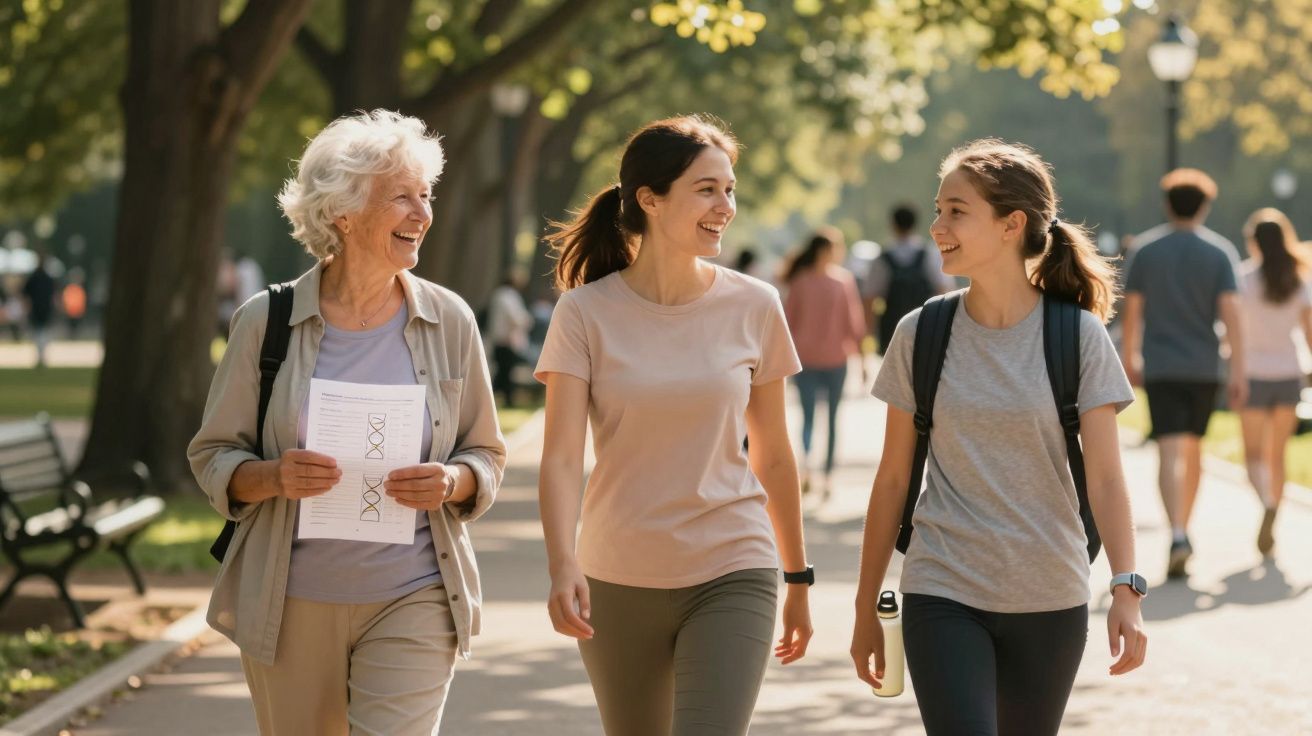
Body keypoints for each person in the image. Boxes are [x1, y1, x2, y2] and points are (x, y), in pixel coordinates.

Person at [187, 110, 506, 735]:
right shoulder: (265, 321)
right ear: (343, 212)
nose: (423, 214)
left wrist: (451, 481)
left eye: (426, 195)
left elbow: (485, 453)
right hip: (290, 602)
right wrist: (273, 476)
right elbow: (214, 456)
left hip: (415, 590)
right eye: (402, 198)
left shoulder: (450, 321)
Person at [851, 139, 1146, 736]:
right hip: (942, 586)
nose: (938, 226)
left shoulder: (1078, 336)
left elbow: (1107, 476)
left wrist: (1126, 588)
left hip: (1050, 593)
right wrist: (864, 607)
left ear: (1012, 224)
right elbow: (892, 478)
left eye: (956, 210)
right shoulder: (921, 332)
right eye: (938, 209)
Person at [535, 115, 813, 736]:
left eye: (730, 189)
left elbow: (773, 455)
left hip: (732, 563)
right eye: (707, 189)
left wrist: (797, 577)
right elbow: (559, 457)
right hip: (616, 573)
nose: (726, 207)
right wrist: (561, 564)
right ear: (650, 200)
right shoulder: (584, 314)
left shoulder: (755, 305)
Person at [1120, 168, 1247, 579]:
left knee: (1169, 448)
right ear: (1205, 206)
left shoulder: (1145, 250)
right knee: (1192, 448)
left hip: (1161, 365)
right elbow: (1231, 316)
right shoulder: (1220, 252)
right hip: (1204, 366)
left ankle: (1176, 531)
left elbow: (1132, 311)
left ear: (1167, 204)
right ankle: (1183, 527)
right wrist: (1239, 369)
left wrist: (1130, 358)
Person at [1235, 208, 1312, 557]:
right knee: (1277, 455)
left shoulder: (1242, 279)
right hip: (1289, 373)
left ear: (1254, 242)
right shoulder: (1299, 280)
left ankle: (1266, 501)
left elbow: (1232, 330)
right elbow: (1310, 333)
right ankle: (1275, 514)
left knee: (1253, 454)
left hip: (1252, 374)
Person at [782, 227, 867, 498]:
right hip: (808, 361)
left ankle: (826, 474)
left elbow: (853, 324)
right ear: (822, 251)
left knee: (830, 419)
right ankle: (809, 469)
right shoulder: (805, 281)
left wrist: (862, 361)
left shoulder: (840, 281)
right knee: (810, 419)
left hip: (831, 361)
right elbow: (787, 323)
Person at [865, 204, 954, 354]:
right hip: (925, 327)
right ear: (915, 224)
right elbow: (944, 289)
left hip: (892, 329)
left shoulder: (882, 258)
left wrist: (869, 334)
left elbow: (869, 298)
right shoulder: (929, 254)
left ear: (892, 224)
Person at [486, 269, 534, 407]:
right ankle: (506, 399)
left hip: (498, 339)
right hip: (506, 341)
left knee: (502, 371)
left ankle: (499, 397)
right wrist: (527, 321)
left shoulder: (498, 294)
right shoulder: (509, 296)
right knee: (505, 372)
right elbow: (517, 318)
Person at [22, 252, 57, 368]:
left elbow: (25, 294)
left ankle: (40, 355)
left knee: (38, 333)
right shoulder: (47, 278)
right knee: (43, 333)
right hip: (45, 308)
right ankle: (42, 356)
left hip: (37, 309)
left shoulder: (34, 277)